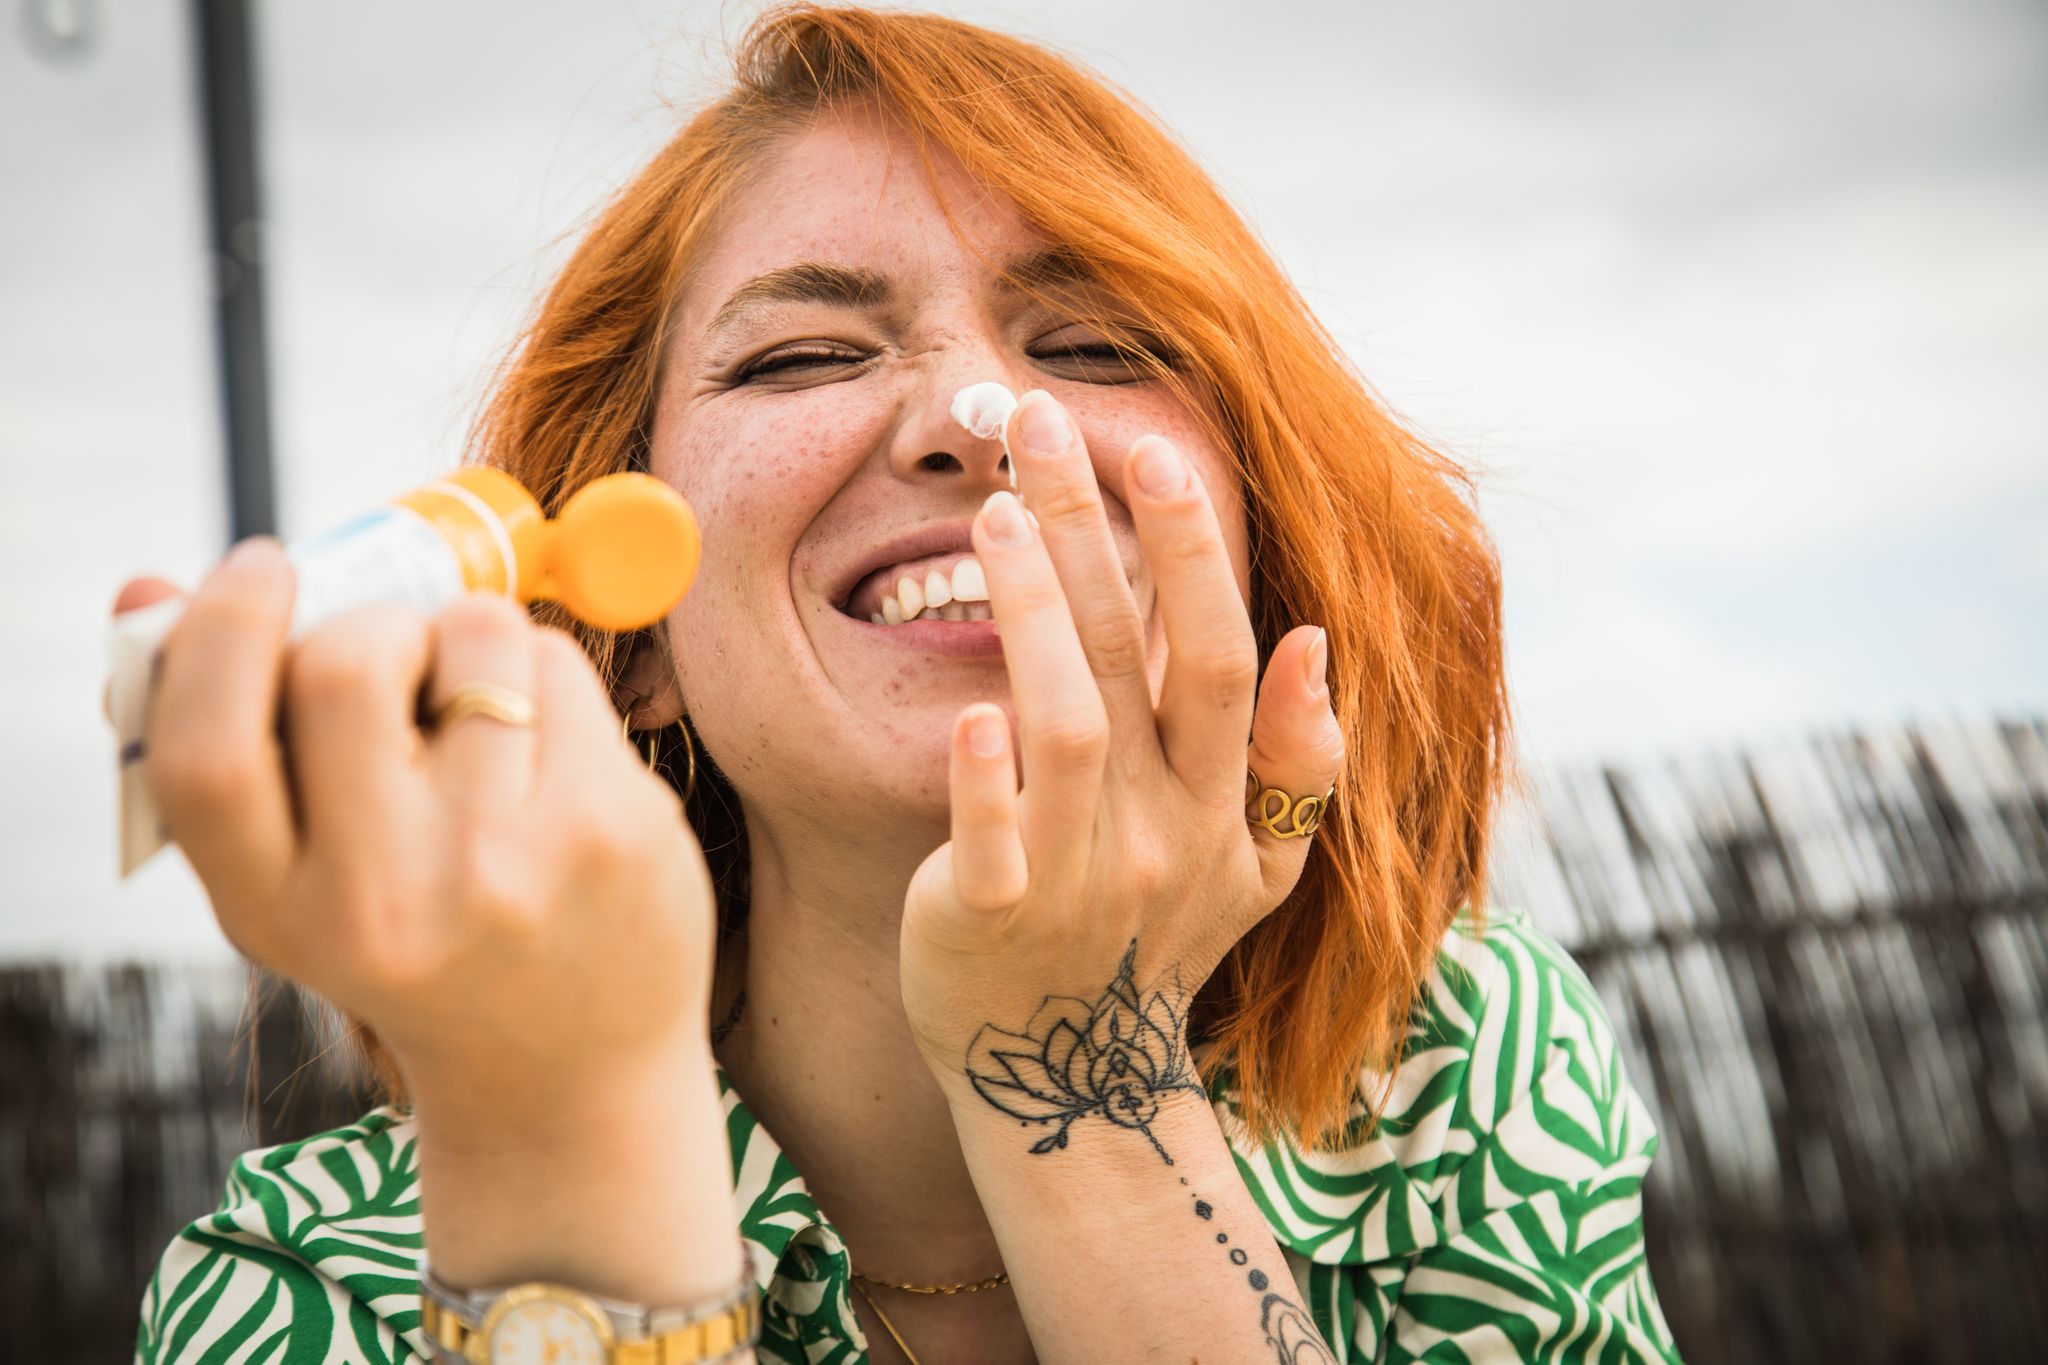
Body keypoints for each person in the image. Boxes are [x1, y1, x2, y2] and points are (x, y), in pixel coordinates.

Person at [128, 6, 1683, 1362]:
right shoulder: (304, 1291)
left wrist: (1085, 1056)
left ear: (1253, 538)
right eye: (801, 356)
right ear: (632, 637)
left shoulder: (1464, 1075)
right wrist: (571, 1156)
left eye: (1092, 340)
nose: (971, 411)